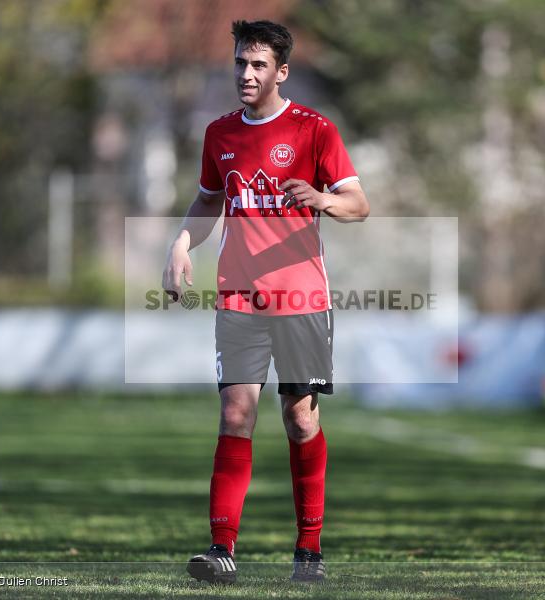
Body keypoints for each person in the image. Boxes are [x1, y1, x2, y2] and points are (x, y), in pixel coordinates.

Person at [162, 20, 369, 584]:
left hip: (302, 298)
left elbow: (359, 205)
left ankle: (309, 549)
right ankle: (221, 548)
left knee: (299, 420)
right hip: (238, 297)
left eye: (258, 65)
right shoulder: (219, 134)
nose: (246, 74)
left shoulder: (314, 130)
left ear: (282, 72)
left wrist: (323, 199)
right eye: (240, 62)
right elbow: (208, 201)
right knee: (235, 413)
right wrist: (181, 243)